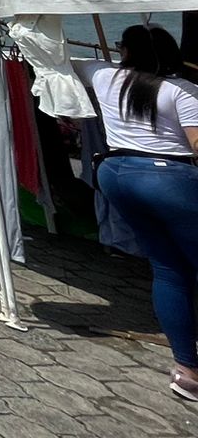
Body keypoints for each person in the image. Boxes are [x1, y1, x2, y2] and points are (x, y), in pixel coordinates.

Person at [88, 24, 198, 401]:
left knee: (168, 269)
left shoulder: (104, 76)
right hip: (168, 178)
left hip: (116, 174)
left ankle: (187, 370)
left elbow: (58, 60)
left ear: (128, 51)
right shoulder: (182, 91)